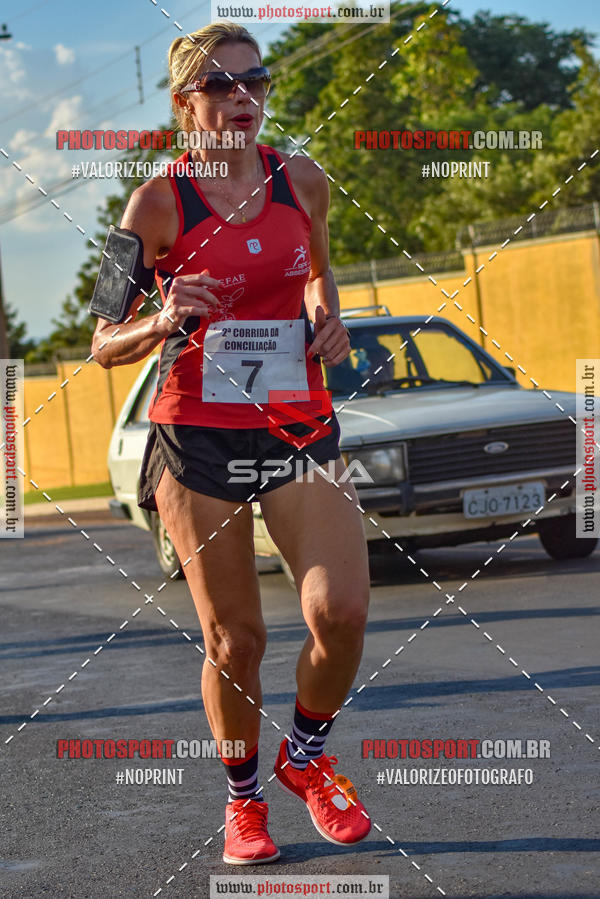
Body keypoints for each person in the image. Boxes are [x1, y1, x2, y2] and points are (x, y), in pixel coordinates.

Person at [92, 22, 371, 865]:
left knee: (341, 610)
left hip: (293, 419)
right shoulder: (155, 203)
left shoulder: (304, 180)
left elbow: (320, 273)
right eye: (220, 85)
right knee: (237, 639)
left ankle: (308, 755)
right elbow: (102, 340)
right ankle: (243, 800)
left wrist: (330, 316)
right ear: (186, 105)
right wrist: (163, 316)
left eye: (255, 80)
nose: (243, 97)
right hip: (196, 435)